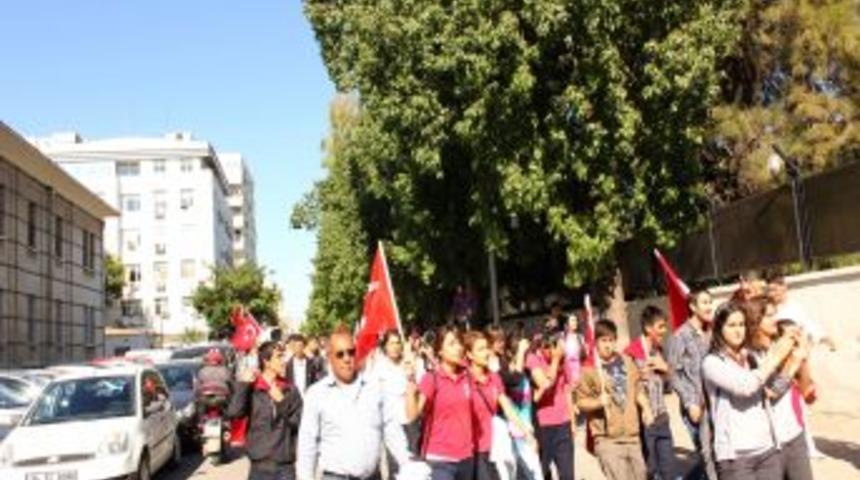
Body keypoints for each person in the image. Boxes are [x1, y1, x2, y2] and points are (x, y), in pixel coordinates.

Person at [297, 325, 426, 480]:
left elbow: (391, 428)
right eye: (340, 354)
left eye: (351, 352)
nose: (347, 358)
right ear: (329, 357)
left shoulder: (375, 388)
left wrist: (406, 463)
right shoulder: (316, 394)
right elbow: (307, 446)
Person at [701, 302, 797, 480]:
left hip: (767, 450)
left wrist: (794, 359)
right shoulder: (712, 363)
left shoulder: (750, 356)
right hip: (736, 459)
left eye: (742, 324)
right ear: (719, 328)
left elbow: (772, 391)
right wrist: (775, 356)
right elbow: (744, 386)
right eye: (732, 325)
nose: (739, 330)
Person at [743, 298, 814, 480]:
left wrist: (802, 359)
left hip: (794, 436)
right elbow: (767, 395)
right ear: (754, 320)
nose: (775, 319)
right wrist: (792, 364)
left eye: (775, 314)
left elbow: (807, 392)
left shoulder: (782, 345)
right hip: (768, 445)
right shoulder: (747, 356)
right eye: (769, 315)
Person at [766, 272, 832, 459]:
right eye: (770, 288)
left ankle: (808, 446)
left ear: (784, 287)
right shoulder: (769, 310)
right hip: (777, 364)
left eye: (776, 288)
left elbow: (810, 328)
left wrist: (826, 339)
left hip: (796, 362)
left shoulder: (795, 309)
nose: (773, 292)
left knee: (801, 404)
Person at [578, 320, 650, 480]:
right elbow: (581, 402)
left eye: (611, 340)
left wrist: (645, 408)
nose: (608, 345)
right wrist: (598, 402)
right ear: (595, 342)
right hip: (608, 440)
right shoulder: (589, 369)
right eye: (603, 340)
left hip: (632, 436)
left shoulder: (627, 361)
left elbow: (637, 388)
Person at [464, 330, 537, 480]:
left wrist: (527, 433)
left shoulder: (494, 378)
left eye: (487, 348)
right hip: (470, 450)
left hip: (493, 448)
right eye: (480, 349)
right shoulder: (464, 381)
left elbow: (507, 406)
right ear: (469, 355)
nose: (486, 353)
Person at [406, 325, 476, 480]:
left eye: (459, 342)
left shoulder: (468, 377)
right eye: (451, 344)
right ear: (440, 351)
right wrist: (410, 381)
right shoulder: (432, 379)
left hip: (467, 458)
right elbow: (412, 416)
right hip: (440, 461)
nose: (458, 348)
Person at [228, 341, 303, 480]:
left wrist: (282, 402)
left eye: (283, 357)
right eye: (279, 357)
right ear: (266, 361)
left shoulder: (290, 390)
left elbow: (298, 422)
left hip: (284, 466)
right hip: (259, 466)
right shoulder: (253, 389)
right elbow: (234, 413)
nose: (283, 361)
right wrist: (243, 385)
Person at [666, 288, 714, 480]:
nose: (709, 306)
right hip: (696, 406)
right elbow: (672, 374)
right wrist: (689, 402)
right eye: (704, 302)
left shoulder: (712, 333)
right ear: (693, 307)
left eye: (710, 302)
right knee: (706, 454)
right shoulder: (680, 336)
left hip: (715, 402)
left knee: (715, 454)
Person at [374, 329, 424, 475]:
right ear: (385, 346)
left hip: (412, 423)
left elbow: (422, 391)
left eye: (397, 343)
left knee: (415, 467)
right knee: (396, 469)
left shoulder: (413, 363)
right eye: (391, 343)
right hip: (391, 426)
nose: (395, 347)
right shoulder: (378, 368)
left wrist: (412, 375)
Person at [526, 332, 575, 480]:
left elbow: (567, 390)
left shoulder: (561, 360)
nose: (552, 351)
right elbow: (545, 384)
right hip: (543, 425)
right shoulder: (533, 359)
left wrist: (572, 421)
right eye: (549, 347)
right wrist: (555, 360)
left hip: (563, 423)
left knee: (567, 475)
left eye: (555, 347)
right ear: (542, 347)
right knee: (542, 473)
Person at [498, 334, 544, 480]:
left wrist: (542, 388)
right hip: (512, 434)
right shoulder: (504, 373)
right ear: (511, 353)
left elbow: (531, 400)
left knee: (535, 475)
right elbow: (514, 380)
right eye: (521, 352)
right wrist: (520, 352)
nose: (525, 357)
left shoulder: (526, 372)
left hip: (527, 432)